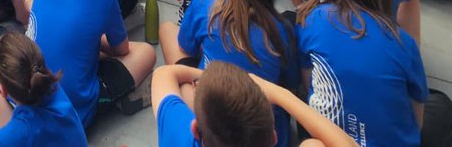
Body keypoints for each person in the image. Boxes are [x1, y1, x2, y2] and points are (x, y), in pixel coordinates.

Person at [295, 0, 446, 147]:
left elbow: (309, 82)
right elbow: (416, 116)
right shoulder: (402, 40)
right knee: (443, 108)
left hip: (324, 135)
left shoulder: (309, 20)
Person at [159, 0, 298, 147]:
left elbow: (185, 47)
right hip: (260, 131)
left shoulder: (205, 4)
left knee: (167, 29)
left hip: (214, 112)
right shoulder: (282, 30)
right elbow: (291, 82)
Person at [28, 0, 155, 128]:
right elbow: (122, 49)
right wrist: (97, 42)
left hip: (31, 101)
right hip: (75, 113)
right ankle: (117, 98)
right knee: (146, 52)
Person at [151, 61, 357, 147]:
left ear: (196, 129)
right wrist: (282, 95)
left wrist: (210, 80)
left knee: (185, 89)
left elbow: (164, 73)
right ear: (273, 137)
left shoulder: (181, 134)